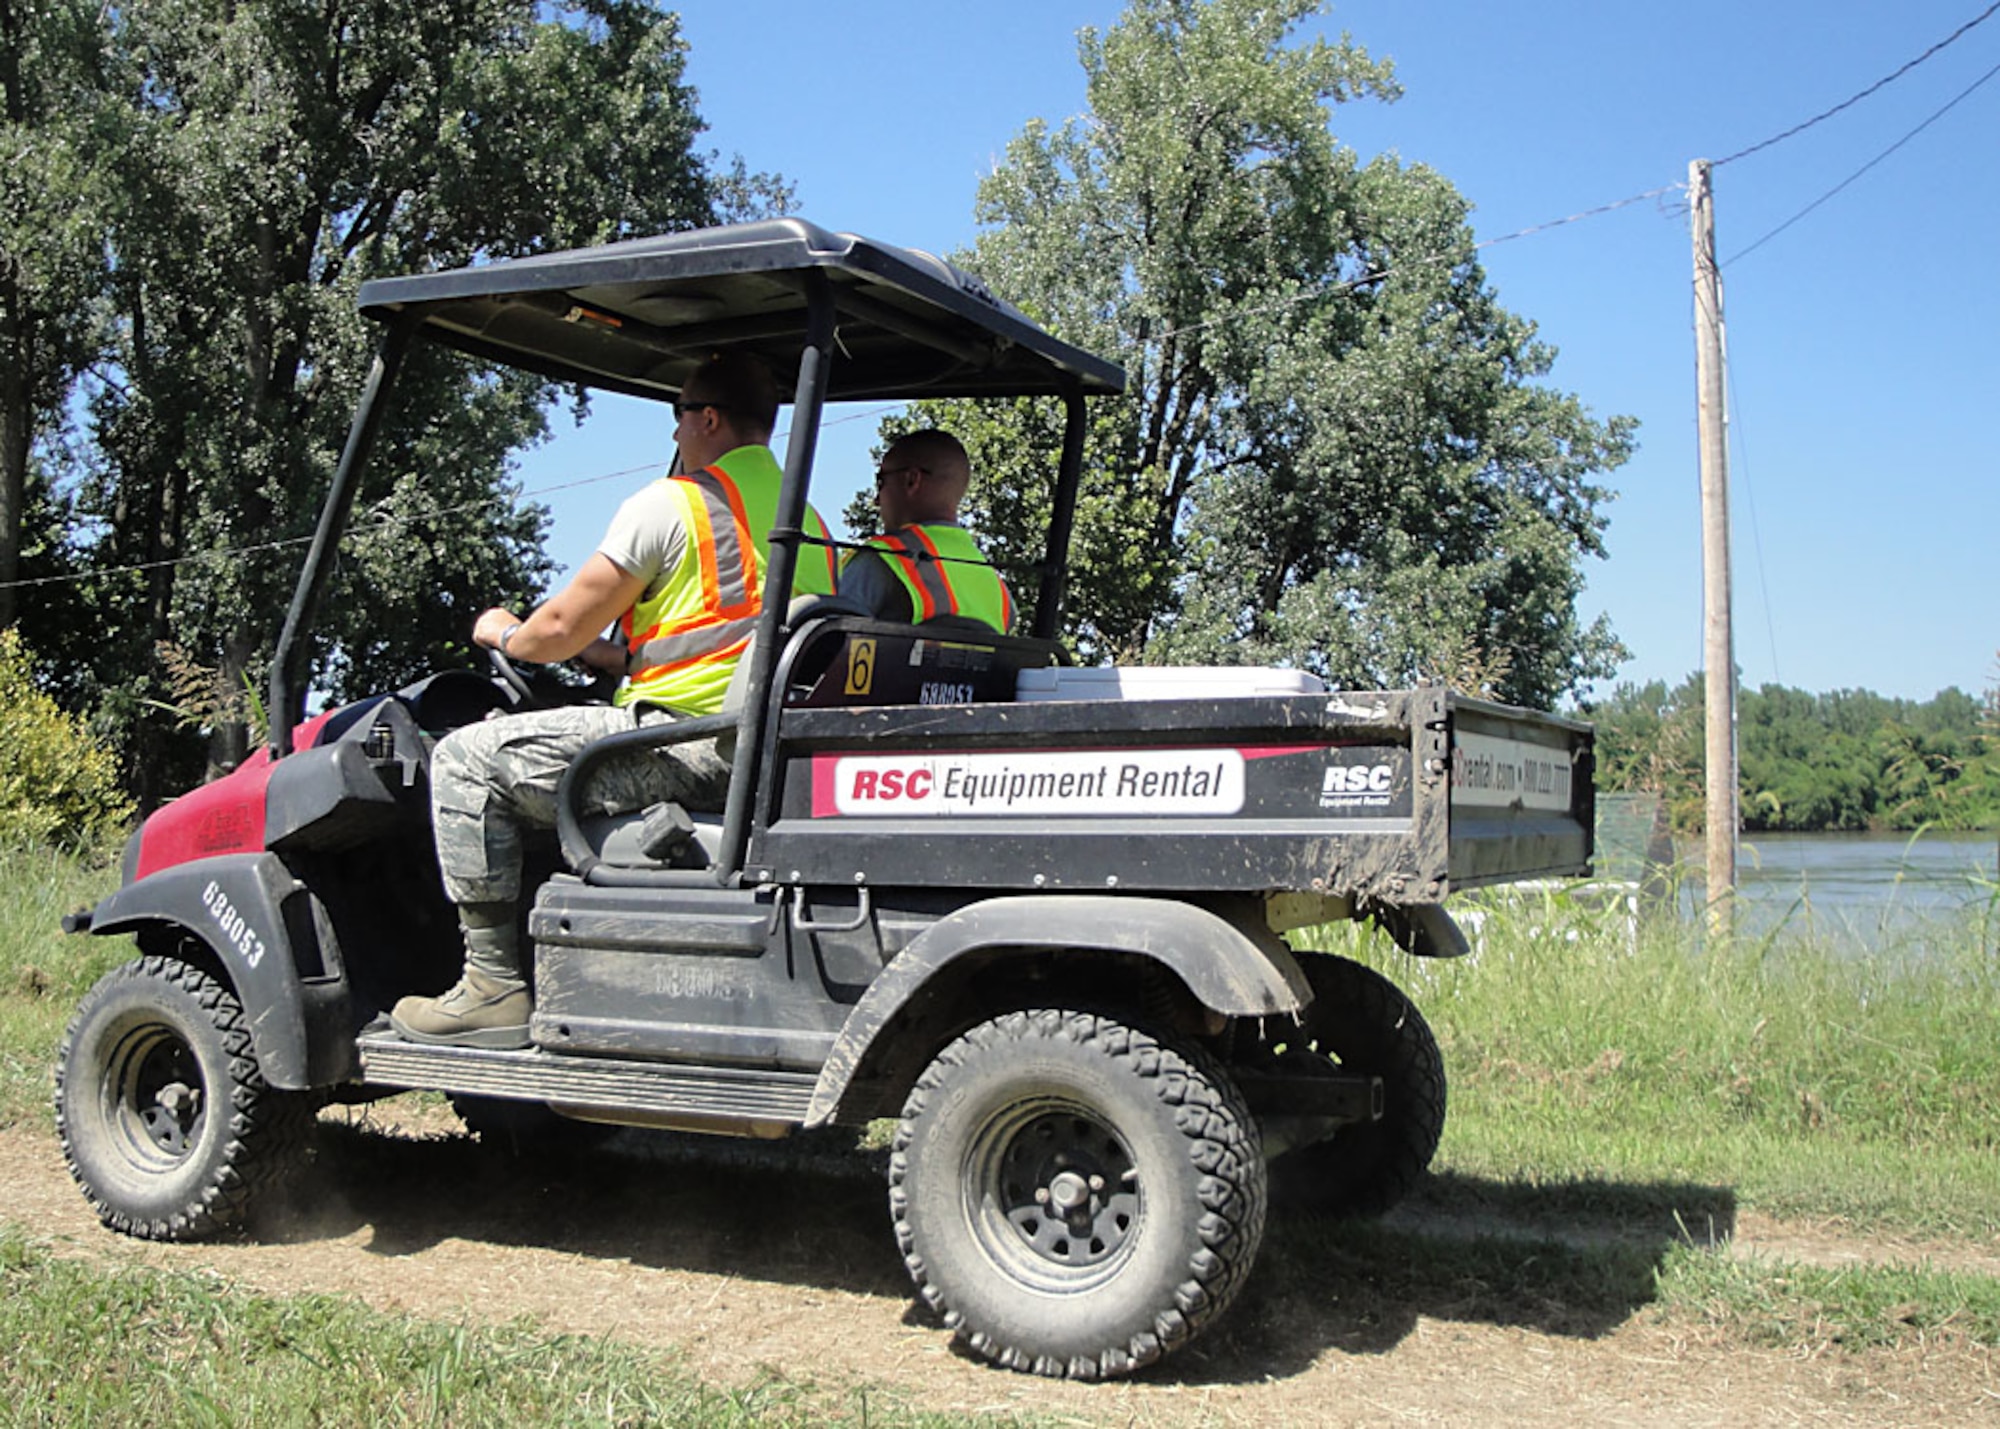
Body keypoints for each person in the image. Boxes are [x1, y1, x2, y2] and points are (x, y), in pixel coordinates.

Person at [391, 352, 839, 1048]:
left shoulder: (673, 503)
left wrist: (503, 631)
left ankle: (490, 985)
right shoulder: (808, 521)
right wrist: (613, 658)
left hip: (674, 746)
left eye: (678, 415)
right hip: (751, 747)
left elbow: (558, 630)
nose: (676, 432)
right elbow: (707, 639)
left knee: (461, 759)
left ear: (708, 418)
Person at [836, 429, 1012, 631]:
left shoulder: (883, 559)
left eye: (881, 481)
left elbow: (823, 645)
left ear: (912, 480)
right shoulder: (997, 589)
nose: (876, 500)